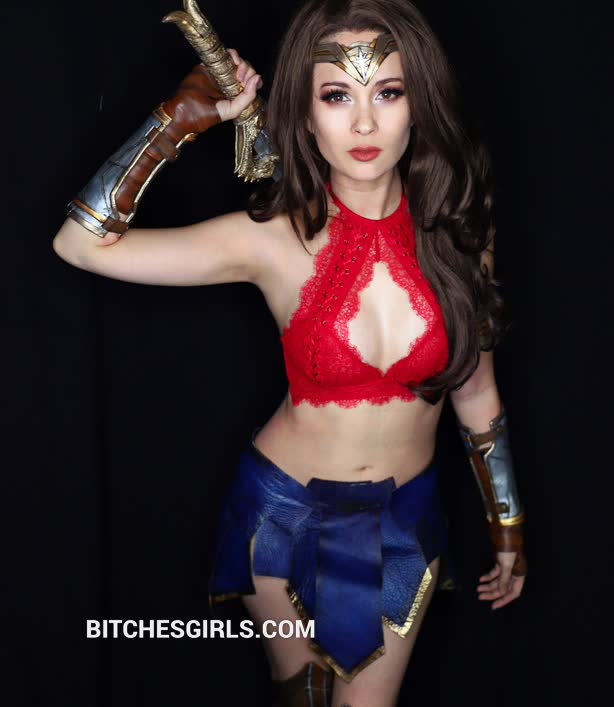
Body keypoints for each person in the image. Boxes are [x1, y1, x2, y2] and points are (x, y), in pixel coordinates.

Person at [52, 0, 527, 704]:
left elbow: (476, 391)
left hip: (403, 522)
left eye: (387, 93)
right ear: (304, 113)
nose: (363, 124)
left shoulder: (461, 236)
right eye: (336, 96)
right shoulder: (271, 240)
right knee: (303, 694)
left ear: (419, 103)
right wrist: (177, 120)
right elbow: (80, 244)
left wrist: (508, 526)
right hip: (280, 516)